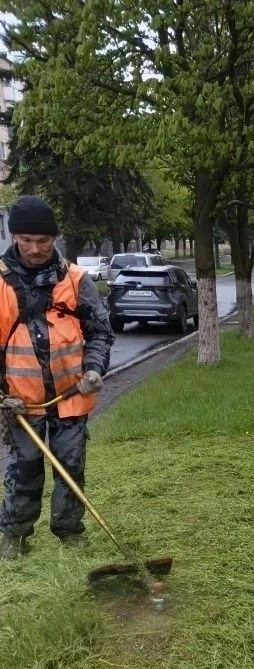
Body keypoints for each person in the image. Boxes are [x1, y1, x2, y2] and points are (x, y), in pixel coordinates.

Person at [0, 195, 114, 559]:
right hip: (21, 402)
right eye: (26, 240)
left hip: (71, 395)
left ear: (55, 237)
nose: (34, 249)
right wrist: (2, 395)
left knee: (70, 467)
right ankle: (15, 536)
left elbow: (100, 332)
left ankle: (69, 534)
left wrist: (94, 368)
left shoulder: (76, 280)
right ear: (14, 237)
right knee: (24, 469)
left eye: (43, 241)